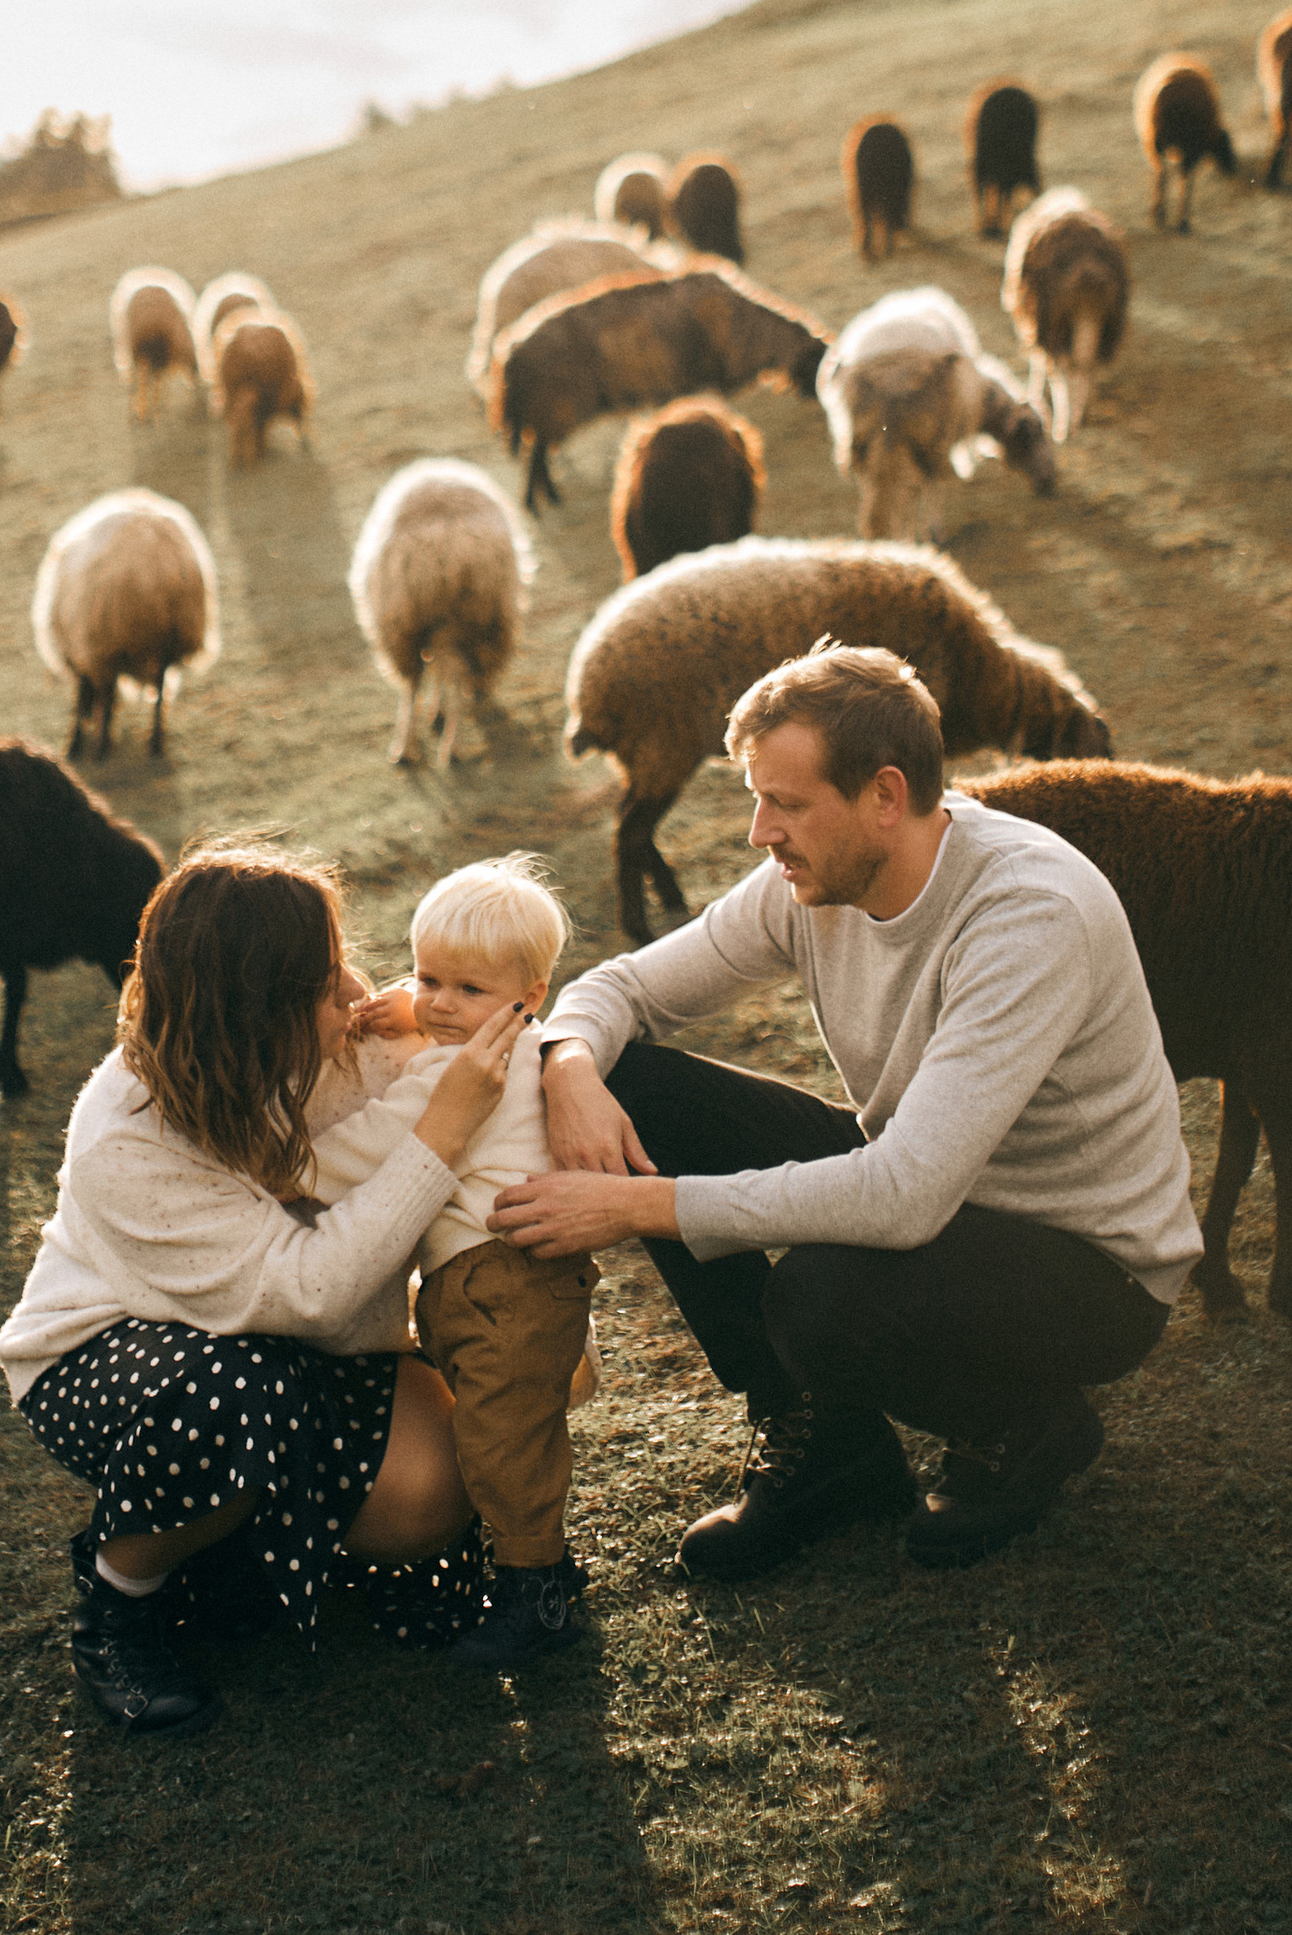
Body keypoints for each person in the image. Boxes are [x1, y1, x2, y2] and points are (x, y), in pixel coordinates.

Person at [493, 644, 1200, 1578]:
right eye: (757, 798)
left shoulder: (1028, 915)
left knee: (819, 1302)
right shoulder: (818, 878)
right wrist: (570, 1062)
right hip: (929, 1175)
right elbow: (626, 987)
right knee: (635, 1084)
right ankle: (828, 1447)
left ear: (885, 796)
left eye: (785, 803)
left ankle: (1025, 1424)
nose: (758, 832)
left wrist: (636, 1207)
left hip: (1085, 1264)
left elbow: (903, 1197)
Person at [0, 838, 516, 1737]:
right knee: (227, 1397)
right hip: (118, 1353)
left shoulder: (325, 1044)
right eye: (324, 984)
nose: (354, 994)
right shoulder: (127, 1133)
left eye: (340, 964)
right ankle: (122, 1602)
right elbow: (310, 1291)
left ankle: (237, 1557)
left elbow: (520, 1013)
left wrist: (572, 1065)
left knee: (438, 1489)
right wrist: (442, 1135)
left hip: (286, 1342)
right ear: (255, 1010)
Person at [307, 855, 596, 1672]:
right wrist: (408, 1005)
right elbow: (434, 1006)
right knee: (511, 1432)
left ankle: (533, 1593)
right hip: (510, 1283)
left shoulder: (458, 1073)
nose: (437, 1004)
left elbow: (368, 1148)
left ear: (529, 993)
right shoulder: (529, 1042)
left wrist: (283, 1164)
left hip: (493, 1284)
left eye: (466, 991)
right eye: (428, 976)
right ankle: (543, 1565)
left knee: (500, 1441)